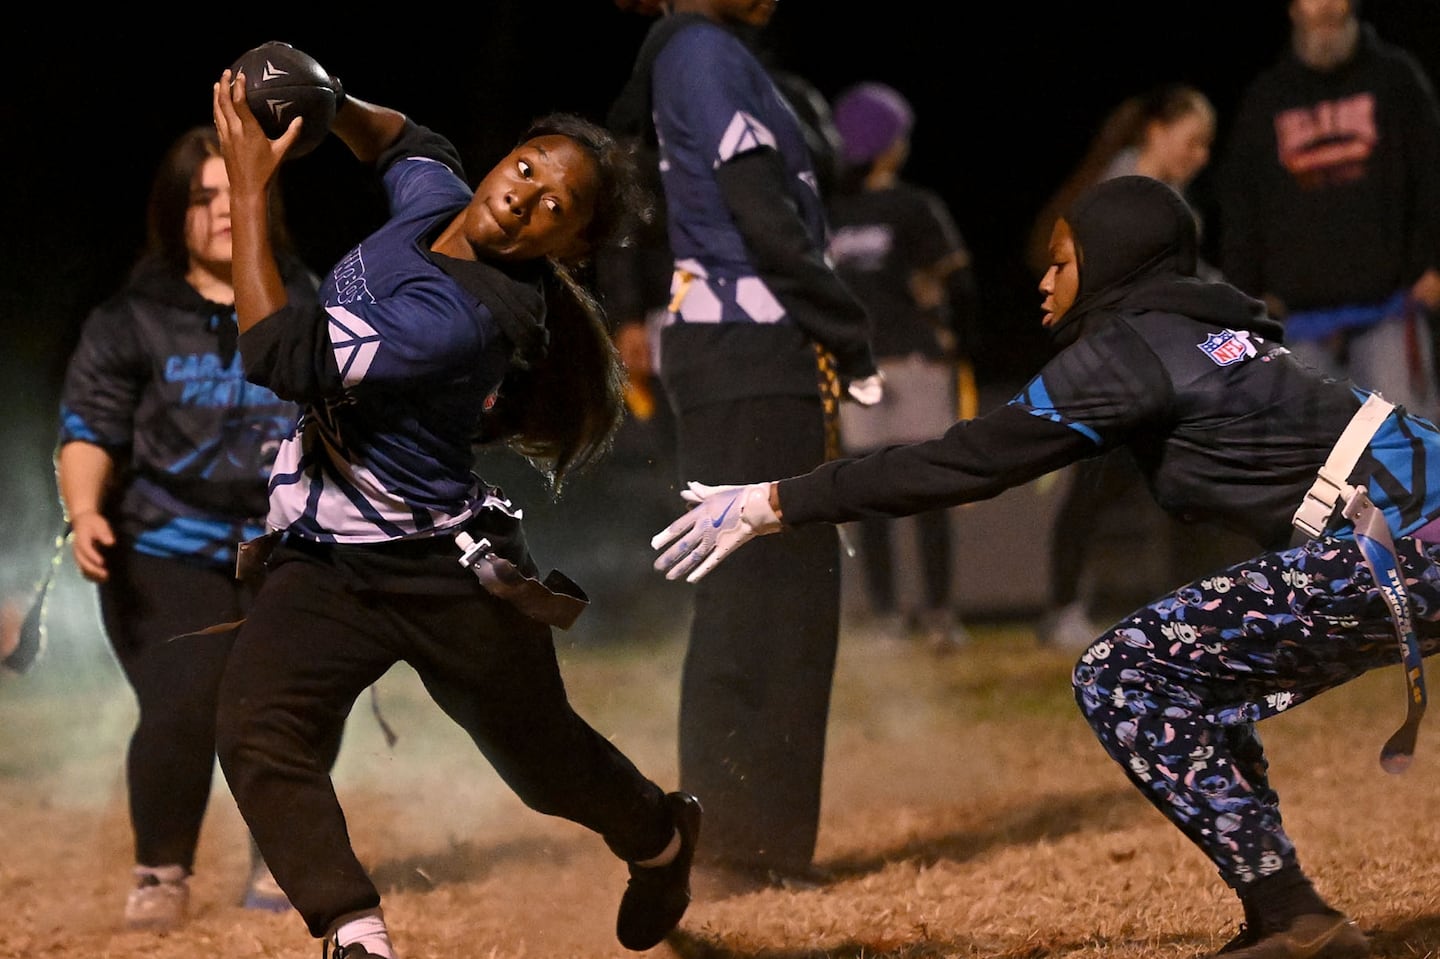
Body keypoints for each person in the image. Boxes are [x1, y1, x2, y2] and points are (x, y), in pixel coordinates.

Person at [653, 173, 1440, 958]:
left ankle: (1293, 914)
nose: (1043, 279)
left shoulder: (1127, 348)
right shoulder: (1201, 328)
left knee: (1122, 674)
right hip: (1412, 526)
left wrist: (774, 502)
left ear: (1114, 263)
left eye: (1062, 261)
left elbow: (963, 461)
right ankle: (1282, 909)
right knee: (1189, 674)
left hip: (1398, 541)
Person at [211, 51, 700, 959]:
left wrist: (251, 191)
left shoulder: (468, 317)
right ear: (502, 162)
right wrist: (334, 103)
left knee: (543, 767)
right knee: (256, 728)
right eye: (526, 168)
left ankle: (663, 839)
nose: (524, 198)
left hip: (439, 571)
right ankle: (355, 934)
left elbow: (280, 356)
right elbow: (410, 142)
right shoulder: (437, 204)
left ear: (571, 249)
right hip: (329, 560)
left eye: (557, 205)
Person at [608, 0, 880, 893]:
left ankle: (744, 844)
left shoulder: (697, 52)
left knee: (772, 596)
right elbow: (765, 216)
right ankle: (741, 848)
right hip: (750, 351)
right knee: (771, 597)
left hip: (744, 352)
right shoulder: (700, 49)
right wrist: (847, 330)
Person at [53, 124, 325, 930]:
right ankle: (161, 870)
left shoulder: (306, 302)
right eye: (200, 198)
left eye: (231, 193)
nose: (220, 212)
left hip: (287, 549)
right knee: (182, 701)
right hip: (163, 548)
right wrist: (85, 513)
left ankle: (282, 854)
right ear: (174, 212)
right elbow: (89, 428)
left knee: (296, 702)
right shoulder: (130, 318)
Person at [1023, 82, 1253, 649]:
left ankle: (1182, 610)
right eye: (1192, 141)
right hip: (1117, 365)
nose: (1200, 156)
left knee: (1163, 481)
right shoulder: (1123, 194)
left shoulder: (1174, 203)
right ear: (1157, 130)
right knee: (1096, 485)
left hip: (1156, 366)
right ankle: (1065, 609)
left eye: (1207, 147)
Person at [1217, 0, 1440, 422]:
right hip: (1297, 329)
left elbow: (1432, 175)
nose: (1326, 7)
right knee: (1308, 471)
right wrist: (1246, 299)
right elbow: (1241, 208)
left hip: (1390, 314)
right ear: (1292, 8)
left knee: (1413, 454)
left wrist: (1434, 264)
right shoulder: (1265, 99)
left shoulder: (1396, 79)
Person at [825, 81, 979, 653]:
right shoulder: (903, 205)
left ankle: (925, 613)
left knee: (913, 494)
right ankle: (912, 615)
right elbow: (960, 284)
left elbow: (955, 282)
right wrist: (957, 338)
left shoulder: (838, 211)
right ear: (889, 143)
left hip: (889, 364)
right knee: (886, 496)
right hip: (893, 365)